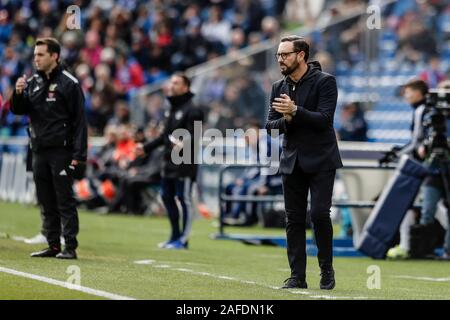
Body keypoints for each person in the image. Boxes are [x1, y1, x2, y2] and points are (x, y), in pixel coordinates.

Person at [265, 35, 342, 290]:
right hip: (292, 161)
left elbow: (324, 120)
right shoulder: (278, 87)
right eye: (278, 55)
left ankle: (326, 269)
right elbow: (270, 127)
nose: (280, 59)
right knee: (293, 220)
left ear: (301, 55)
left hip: (321, 159)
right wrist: (286, 119)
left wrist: (295, 111)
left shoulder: (325, 81)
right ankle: (297, 275)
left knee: (320, 215)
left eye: (285, 54)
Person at [9, 37, 87, 259]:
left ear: (54, 56)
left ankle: (70, 246)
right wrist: (18, 93)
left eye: (41, 55)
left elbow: (80, 121)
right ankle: (53, 244)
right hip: (39, 150)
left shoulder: (69, 83)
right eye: (35, 55)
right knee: (45, 199)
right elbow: (18, 110)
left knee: (64, 199)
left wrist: (79, 155)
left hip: (61, 151)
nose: (36, 59)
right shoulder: (32, 82)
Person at [136, 73, 203, 249]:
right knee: (166, 197)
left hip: (185, 163)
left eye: (176, 83)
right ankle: (174, 236)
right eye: (171, 82)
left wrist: (184, 142)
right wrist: (145, 148)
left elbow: (196, 135)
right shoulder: (170, 108)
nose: (171, 86)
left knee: (184, 198)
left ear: (185, 87)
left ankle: (183, 239)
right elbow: (163, 136)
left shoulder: (193, 109)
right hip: (168, 162)